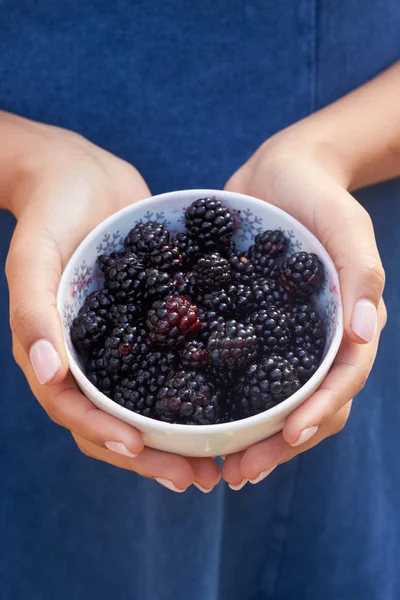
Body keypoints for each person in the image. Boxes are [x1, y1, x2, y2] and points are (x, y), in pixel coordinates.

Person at [0, 2, 399, 598]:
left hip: (338, 201)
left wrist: (331, 150)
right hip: (47, 234)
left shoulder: (251, 303)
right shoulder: (156, 312)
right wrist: (27, 163)